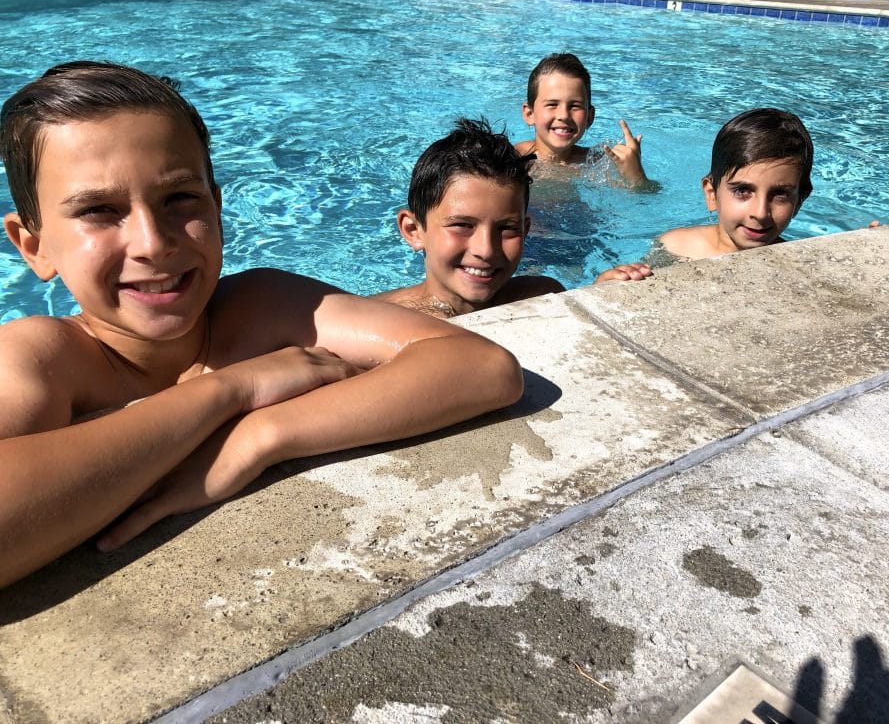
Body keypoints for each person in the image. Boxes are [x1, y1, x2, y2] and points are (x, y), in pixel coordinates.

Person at [0, 62, 524, 589]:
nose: (153, 242)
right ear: (34, 245)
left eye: (180, 199)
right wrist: (230, 390)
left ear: (218, 207)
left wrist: (262, 434)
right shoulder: (40, 359)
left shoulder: (262, 305)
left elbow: (482, 366)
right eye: (98, 210)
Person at [373, 118, 650, 320]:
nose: (486, 250)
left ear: (526, 230)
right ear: (413, 230)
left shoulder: (541, 295)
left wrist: (594, 296)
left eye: (507, 228)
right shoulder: (377, 319)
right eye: (462, 225)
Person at [656, 108, 813, 261]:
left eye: (780, 194)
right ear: (712, 194)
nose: (760, 213)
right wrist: (633, 272)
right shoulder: (675, 246)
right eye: (743, 191)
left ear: (799, 201)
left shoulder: (794, 262)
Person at [513, 53, 655, 191]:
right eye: (552, 104)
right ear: (529, 114)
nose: (563, 115)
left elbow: (648, 198)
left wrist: (636, 176)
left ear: (589, 117)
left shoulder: (600, 163)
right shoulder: (512, 159)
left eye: (575, 106)